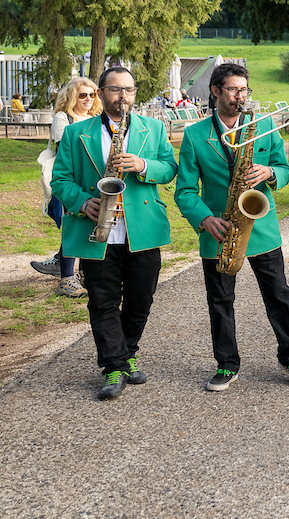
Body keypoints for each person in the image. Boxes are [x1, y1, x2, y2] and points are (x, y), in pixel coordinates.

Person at [175, 63, 289, 391]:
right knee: (220, 300)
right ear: (216, 91)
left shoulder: (261, 126)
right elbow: (185, 190)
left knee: (279, 294)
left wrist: (270, 173)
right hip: (219, 230)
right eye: (234, 89)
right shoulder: (195, 135)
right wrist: (204, 218)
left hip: (261, 227)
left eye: (244, 90)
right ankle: (226, 363)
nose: (240, 96)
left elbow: (284, 168)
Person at [50, 66, 176, 400]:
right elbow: (60, 180)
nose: (123, 97)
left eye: (129, 90)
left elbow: (170, 168)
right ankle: (114, 367)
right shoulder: (78, 133)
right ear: (102, 93)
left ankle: (127, 352)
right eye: (116, 90)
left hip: (142, 230)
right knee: (102, 302)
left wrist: (144, 165)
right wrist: (82, 203)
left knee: (140, 300)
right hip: (97, 231)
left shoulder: (153, 128)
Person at [31, 77, 101, 296]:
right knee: (72, 223)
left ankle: (74, 269)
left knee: (89, 224)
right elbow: (67, 148)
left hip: (93, 180)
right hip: (70, 179)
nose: (88, 99)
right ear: (72, 96)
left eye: (92, 94)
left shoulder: (96, 117)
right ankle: (66, 278)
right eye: (83, 95)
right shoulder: (64, 118)